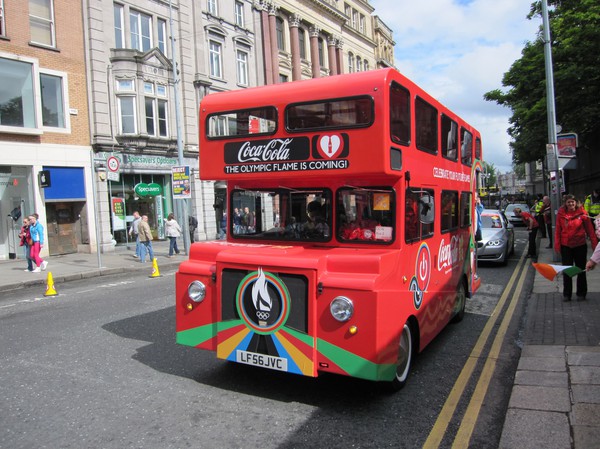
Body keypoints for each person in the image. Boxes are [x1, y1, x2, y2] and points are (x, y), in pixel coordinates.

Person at [554, 194, 598, 301]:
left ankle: (581, 293)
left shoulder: (583, 214)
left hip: (580, 245)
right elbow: (558, 230)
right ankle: (567, 294)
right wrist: (557, 245)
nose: (571, 204)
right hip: (566, 246)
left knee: (581, 270)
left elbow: (590, 230)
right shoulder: (561, 214)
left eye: (572, 202)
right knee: (567, 271)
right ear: (565, 203)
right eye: (568, 202)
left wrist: (595, 246)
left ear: (576, 203)